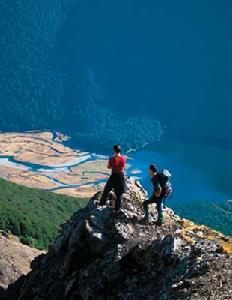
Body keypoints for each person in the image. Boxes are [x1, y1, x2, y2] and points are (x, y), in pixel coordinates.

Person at [99, 145, 127, 212]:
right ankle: (117, 209)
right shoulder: (124, 158)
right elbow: (123, 167)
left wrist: (113, 166)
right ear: (120, 150)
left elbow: (108, 167)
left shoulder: (112, 159)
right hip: (121, 176)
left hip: (114, 175)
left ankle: (102, 203)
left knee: (106, 190)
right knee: (119, 194)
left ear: (114, 150)